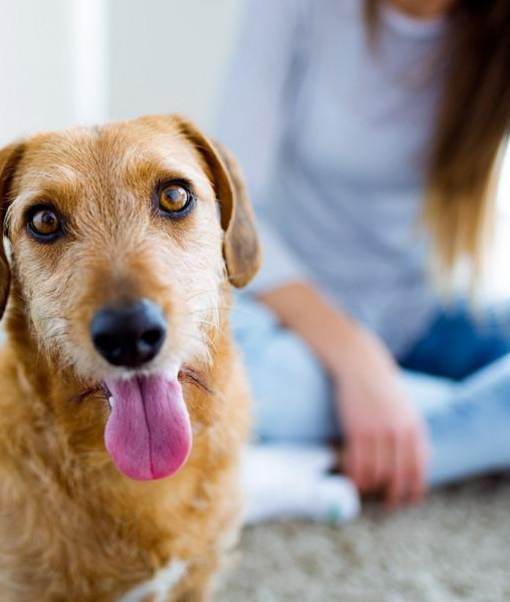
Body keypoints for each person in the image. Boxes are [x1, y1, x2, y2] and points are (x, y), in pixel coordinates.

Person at [217, 0, 510, 514]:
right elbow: (231, 207)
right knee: (221, 376)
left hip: (424, 316)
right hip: (288, 319)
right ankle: (449, 425)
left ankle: (322, 461)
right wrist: (359, 360)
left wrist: (381, 385)